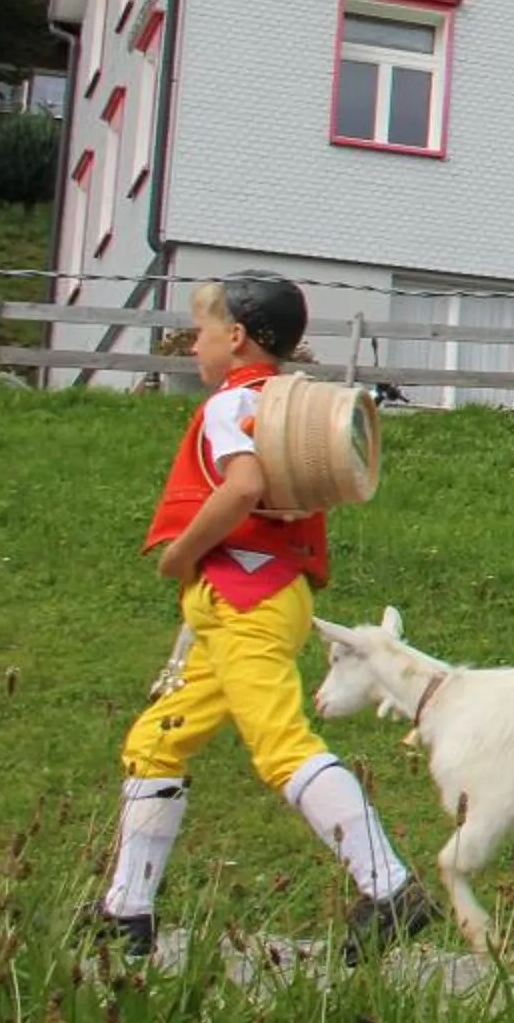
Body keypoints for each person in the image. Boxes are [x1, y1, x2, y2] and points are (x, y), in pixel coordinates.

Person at [88, 273, 435, 964]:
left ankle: (390, 886)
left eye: (204, 333)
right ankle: (126, 912)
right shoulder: (287, 405)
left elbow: (243, 486)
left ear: (238, 336)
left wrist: (180, 553)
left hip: (241, 599)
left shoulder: (232, 404)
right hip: (262, 596)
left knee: (282, 744)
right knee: (157, 742)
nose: (196, 346)